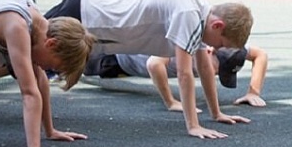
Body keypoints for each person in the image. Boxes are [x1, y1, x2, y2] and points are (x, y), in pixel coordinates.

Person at [44, 0, 254, 139]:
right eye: (221, 43)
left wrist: (216, 113)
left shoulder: (200, 15)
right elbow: (184, 73)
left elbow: (204, 67)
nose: (215, 49)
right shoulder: (189, 13)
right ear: (217, 26)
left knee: (24, 58)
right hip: (86, 12)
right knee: (26, 54)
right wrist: (193, 126)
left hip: (92, 18)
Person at [0, 0, 95, 147]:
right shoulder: (17, 26)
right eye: (52, 65)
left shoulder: (37, 22)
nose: (47, 69)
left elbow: (40, 80)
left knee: (22, 66)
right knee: (17, 67)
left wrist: (50, 130)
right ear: (51, 44)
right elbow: (29, 93)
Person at [84, 45, 268, 111]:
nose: (213, 75)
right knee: (74, 65)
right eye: (216, 70)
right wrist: (171, 102)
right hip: (116, 60)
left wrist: (253, 92)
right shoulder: (186, 42)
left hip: (129, 61)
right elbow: (154, 64)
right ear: (210, 51)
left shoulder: (229, 47)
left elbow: (260, 54)